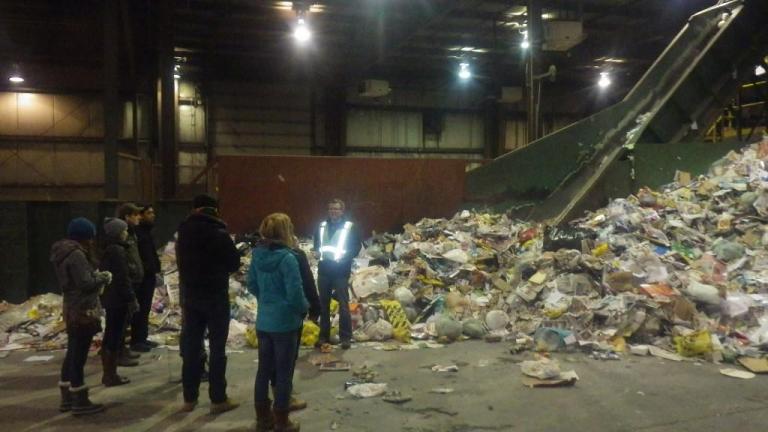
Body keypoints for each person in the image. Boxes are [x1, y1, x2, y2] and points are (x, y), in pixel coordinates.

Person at [176, 194, 241, 415]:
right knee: (217, 349)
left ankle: (189, 398)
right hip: (215, 297)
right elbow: (234, 262)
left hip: (191, 297)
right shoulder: (219, 233)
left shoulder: (184, 232)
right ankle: (218, 399)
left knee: (192, 348)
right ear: (214, 210)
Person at [249, 213, 308, 432]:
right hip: (285, 323)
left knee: (263, 371)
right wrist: (303, 309)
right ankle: (282, 422)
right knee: (283, 374)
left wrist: (266, 301)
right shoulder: (288, 258)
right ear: (286, 231)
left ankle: (263, 419)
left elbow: (251, 284)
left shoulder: (257, 255)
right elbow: (295, 294)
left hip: (264, 322)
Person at [50, 217, 110, 416]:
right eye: (90, 237)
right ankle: (79, 400)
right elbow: (85, 283)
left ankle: (67, 397)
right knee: (79, 354)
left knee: (73, 351)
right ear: (85, 236)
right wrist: (102, 277)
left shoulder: (63, 252)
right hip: (82, 309)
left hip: (72, 307)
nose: (92, 241)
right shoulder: (76, 255)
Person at [313, 198, 362, 350]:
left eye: (336, 209)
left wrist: (345, 259)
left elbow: (356, 247)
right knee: (324, 306)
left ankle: (345, 337)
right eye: (331, 209)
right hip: (324, 270)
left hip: (341, 271)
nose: (333, 211)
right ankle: (324, 337)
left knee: (343, 305)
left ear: (342, 211)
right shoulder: (322, 226)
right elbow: (317, 243)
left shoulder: (349, 227)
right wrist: (317, 252)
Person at [99, 218, 138, 387]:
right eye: (124, 230)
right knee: (114, 335)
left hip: (112, 297)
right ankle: (110, 375)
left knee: (111, 333)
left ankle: (109, 373)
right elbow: (123, 278)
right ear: (118, 233)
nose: (126, 233)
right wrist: (131, 298)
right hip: (118, 299)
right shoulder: (117, 251)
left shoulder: (109, 249)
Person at [116, 203, 144, 366]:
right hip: (127, 282)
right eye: (135, 215)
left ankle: (122, 349)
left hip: (134, 280)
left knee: (127, 318)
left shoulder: (132, 233)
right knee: (121, 320)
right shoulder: (120, 237)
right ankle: (118, 353)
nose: (138, 217)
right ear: (127, 217)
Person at [131, 204, 161, 352]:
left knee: (146, 308)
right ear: (141, 215)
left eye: (153, 212)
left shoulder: (147, 232)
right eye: (149, 213)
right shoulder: (138, 233)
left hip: (149, 275)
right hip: (142, 277)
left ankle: (142, 337)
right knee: (140, 309)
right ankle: (137, 340)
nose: (152, 215)